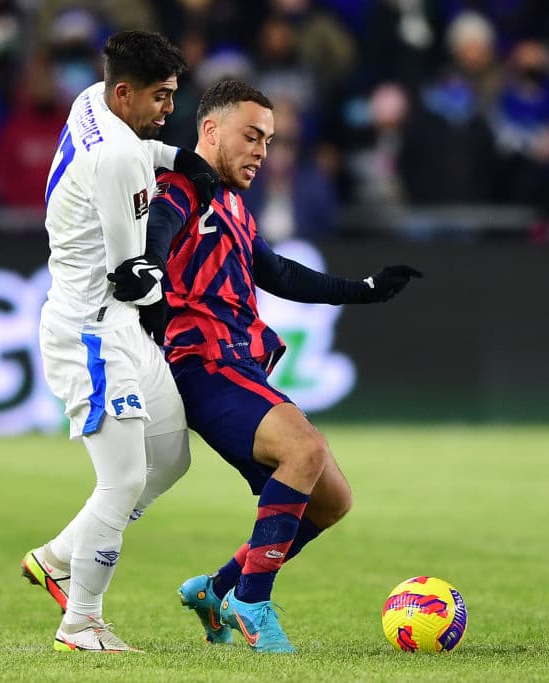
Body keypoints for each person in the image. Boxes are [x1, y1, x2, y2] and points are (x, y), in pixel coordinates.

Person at [108, 80, 422, 653]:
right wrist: (148, 265)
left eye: (269, 141)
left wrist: (368, 289)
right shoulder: (181, 187)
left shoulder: (231, 203)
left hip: (243, 368)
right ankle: (252, 600)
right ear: (210, 130)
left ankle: (217, 589)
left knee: (332, 501)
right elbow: (159, 228)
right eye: (251, 136)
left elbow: (277, 273)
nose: (261, 151)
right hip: (200, 364)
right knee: (303, 451)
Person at [19, 31, 219, 653]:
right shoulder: (117, 163)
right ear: (125, 91)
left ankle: (56, 557)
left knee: (170, 456)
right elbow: (134, 277)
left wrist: (173, 156)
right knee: (125, 477)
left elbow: (137, 147)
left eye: (173, 96)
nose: (169, 108)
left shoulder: (91, 100)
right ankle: (81, 622)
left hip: (114, 326)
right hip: (92, 333)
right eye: (160, 97)